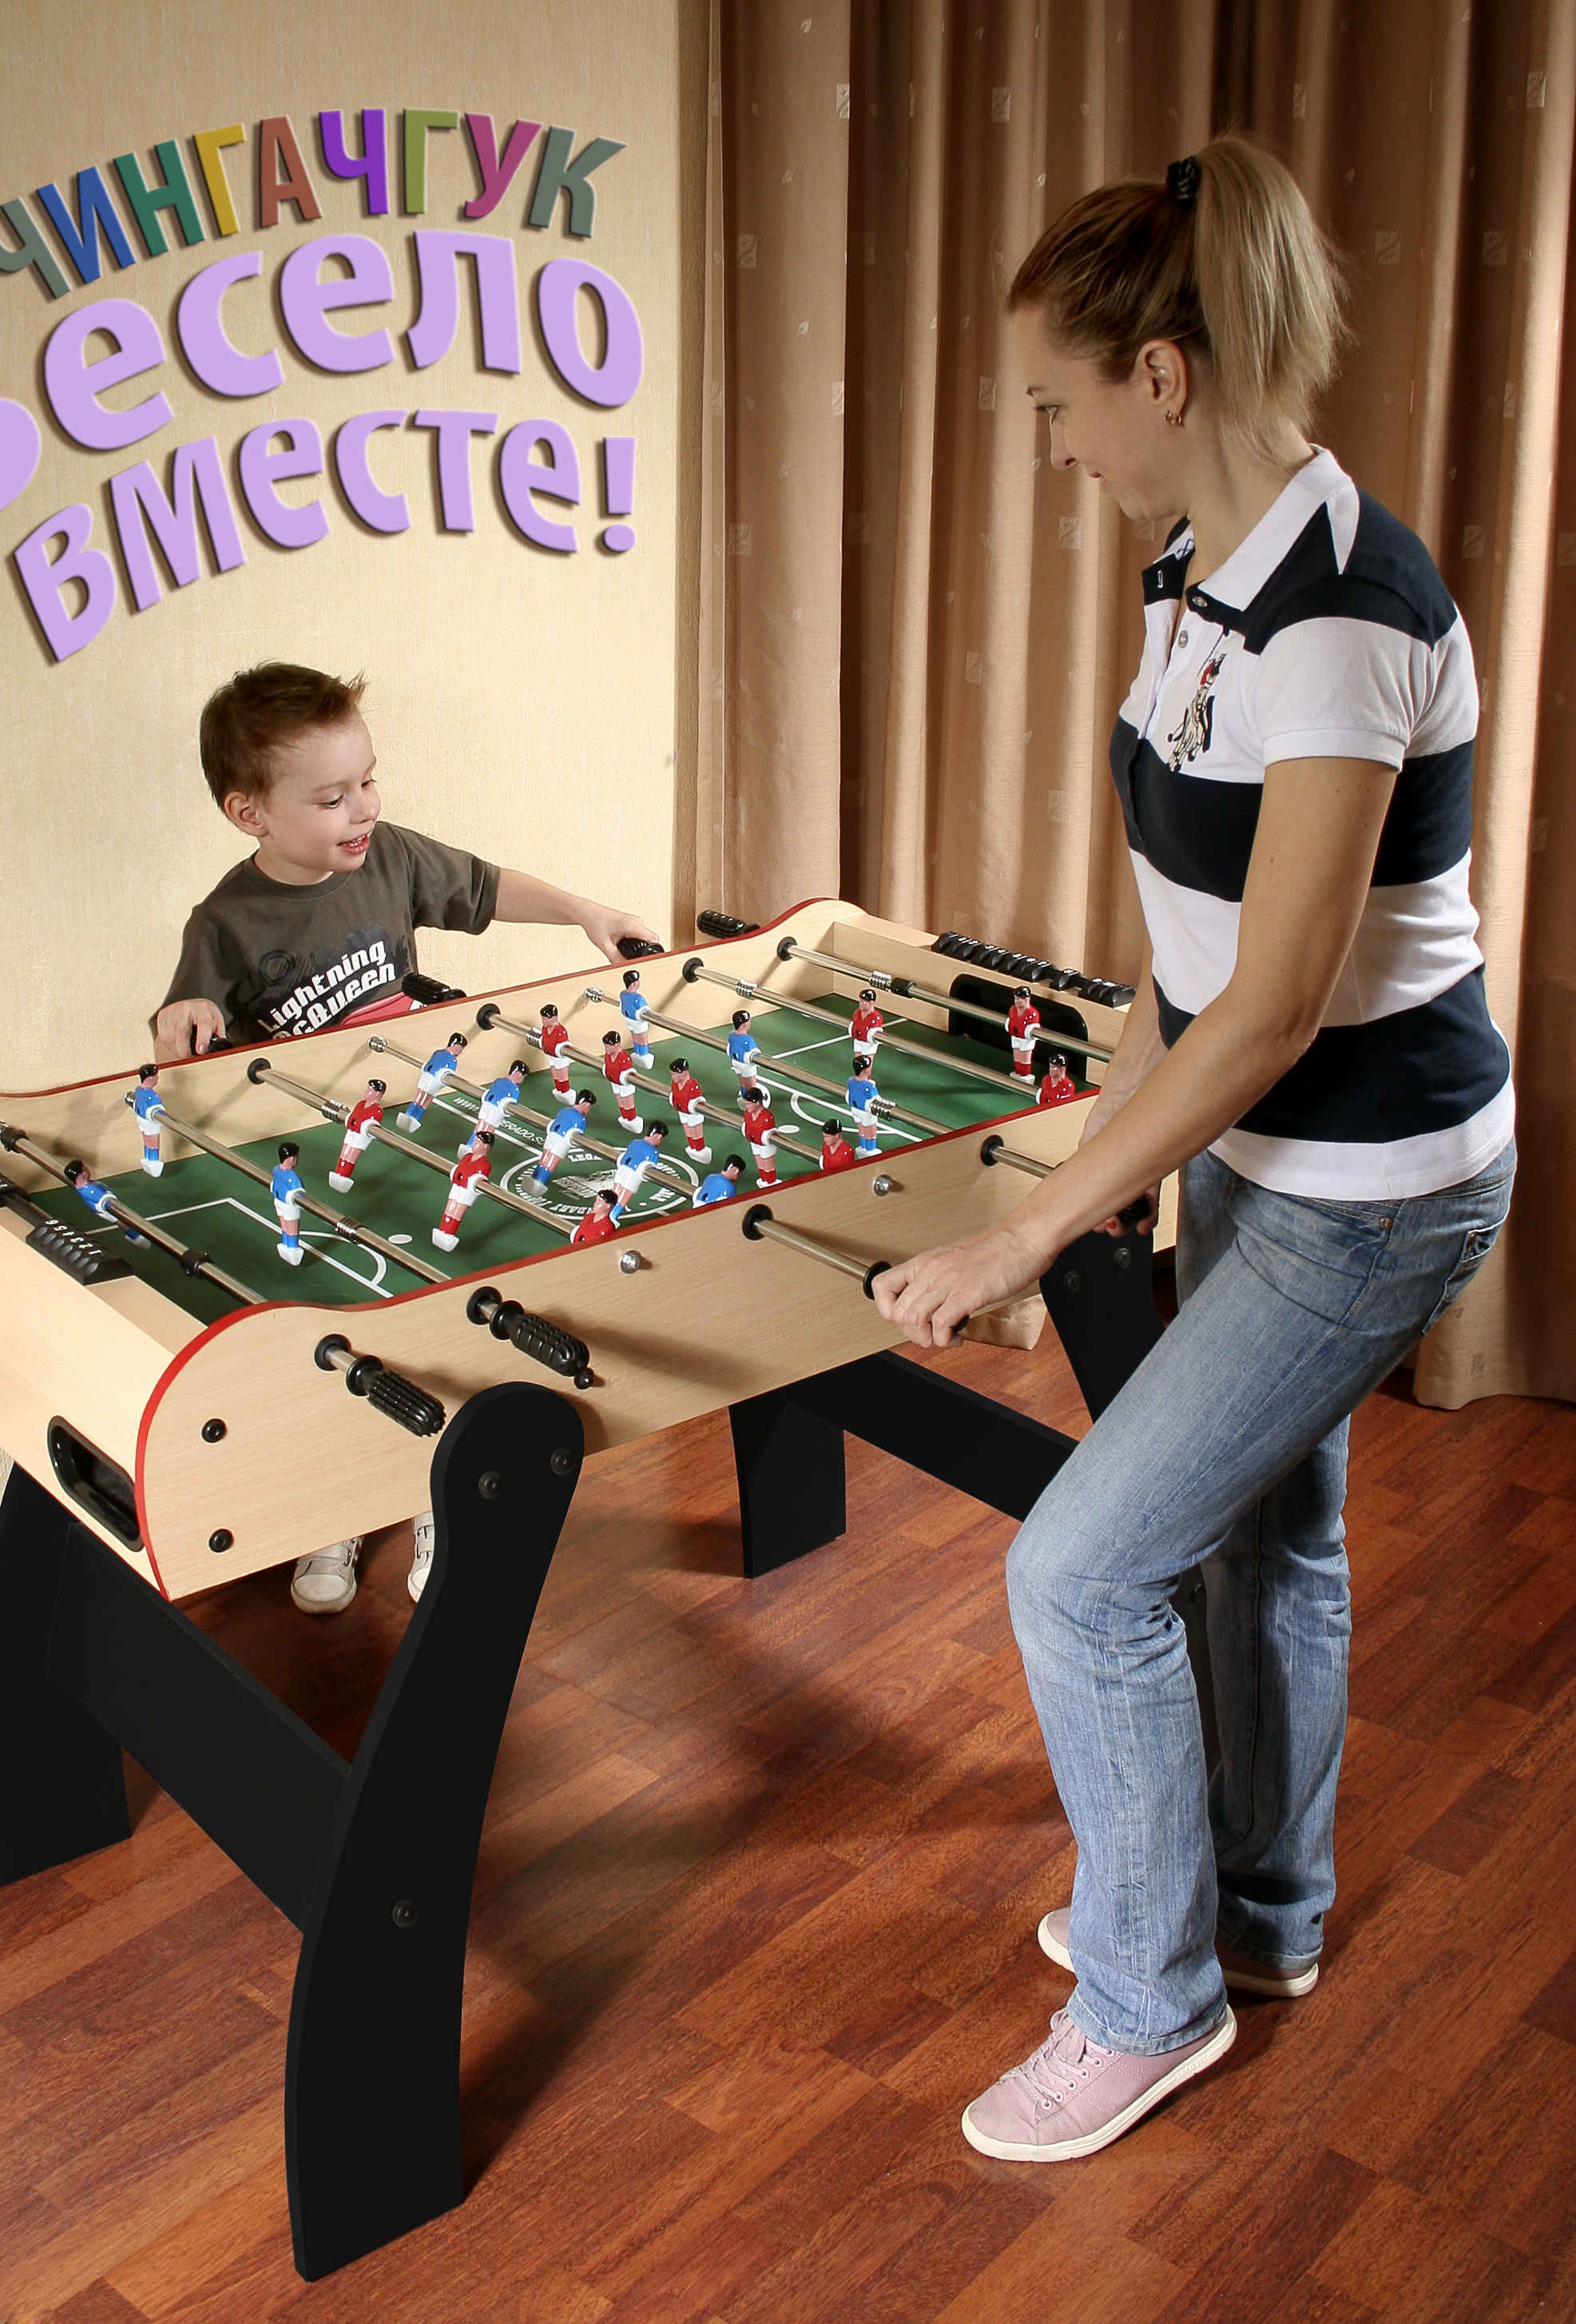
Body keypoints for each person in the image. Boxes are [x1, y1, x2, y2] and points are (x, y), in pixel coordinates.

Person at [874, 137, 1514, 2165]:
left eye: (1056, 403)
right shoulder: (1196, 578)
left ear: (1159, 376)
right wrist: (1088, 1167)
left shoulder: (1342, 618)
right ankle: (1257, 1911)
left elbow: (1275, 1005)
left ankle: (1146, 2003)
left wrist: (1026, 1237)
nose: (1051, 447)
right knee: (1264, 1533)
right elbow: (1186, 952)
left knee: (1075, 1571)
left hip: (1375, 1185)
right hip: (1266, 1155)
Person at [152, 661, 661, 1616]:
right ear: (249, 812)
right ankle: (338, 1507)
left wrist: (587, 912)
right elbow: (183, 1043)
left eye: (369, 781)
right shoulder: (223, 923)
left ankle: (435, 1494)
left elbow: (487, 886)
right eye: (332, 798)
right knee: (340, 1330)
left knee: (441, 1317)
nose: (364, 809)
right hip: (319, 1162)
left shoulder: (389, 857)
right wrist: (182, 1018)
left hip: (424, 1135)